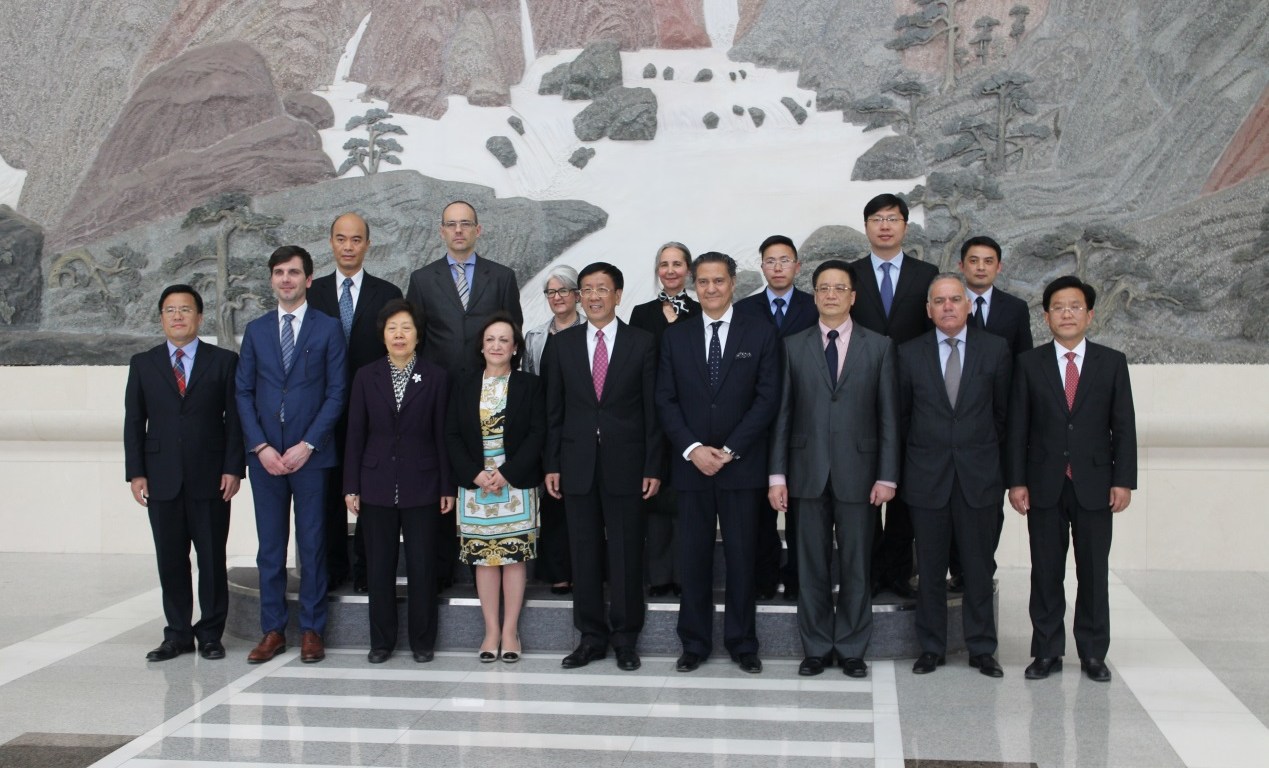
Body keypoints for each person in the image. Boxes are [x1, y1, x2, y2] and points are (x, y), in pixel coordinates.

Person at [769, 260, 899, 679]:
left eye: (839, 288)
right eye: (823, 288)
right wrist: (777, 475)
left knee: (857, 565)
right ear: (814, 295)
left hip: (860, 473)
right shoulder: (793, 346)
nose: (830, 295)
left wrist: (887, 475)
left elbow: (888, 417)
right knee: (811, 566)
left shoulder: (879, 346)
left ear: (852, 296)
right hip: (805, 472)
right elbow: (782, 415)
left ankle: (852, 648)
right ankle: (816, 647)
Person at [1007, 275, 1137, 683]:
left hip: (1096, 484)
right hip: (1043, 483)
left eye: (1075, 307)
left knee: (1093, 572)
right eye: (1058, 307)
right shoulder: (1029, 364)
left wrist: (1123, 480)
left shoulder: (1111, 362)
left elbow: (1124, 427)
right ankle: (1046, 651)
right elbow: (1017, 428)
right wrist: (1016, 481)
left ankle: (1093, 653)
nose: (1067, 314)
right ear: (1046, 316)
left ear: (1090, 315)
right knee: (1045, 571)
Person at [655, 252, 780, 673]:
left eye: (719, 281)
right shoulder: (676, 337)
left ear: (733, 284)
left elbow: (767, 398)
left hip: (740, 466)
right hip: (691, 467)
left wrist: (729, 450)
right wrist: (693, 449)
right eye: (704, 282)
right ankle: (694, 643)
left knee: (743, 558)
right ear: (695, 285)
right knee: (693, 558)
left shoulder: (760, 332)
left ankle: (743, 643)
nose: (711, 289)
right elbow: (665, 399)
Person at [543, 262, 662, 672]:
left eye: (602, 289)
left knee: (626, 551)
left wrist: (652, 465)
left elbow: (652, 411)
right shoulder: (562, 345)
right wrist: (552, 463)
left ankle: (626, 639)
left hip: (627, 464)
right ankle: (590, 637)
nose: (594, 297)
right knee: (584, 552)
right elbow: (553, 411)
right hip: (576, 463)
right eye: (587, 289)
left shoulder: (642, 343)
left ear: (618, 295)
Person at [406, 200, 524, 591]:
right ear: (441, 230)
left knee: (486, 465)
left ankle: (491, 557)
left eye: (466, 224)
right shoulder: (422, 279)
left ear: (478, 229)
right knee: (443, 469)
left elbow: (512, 331)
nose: (458, 230)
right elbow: (416, 338)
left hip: (490, 393)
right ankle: (444, 569)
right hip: (439, 391)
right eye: (451, 224)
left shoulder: (501, 276)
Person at [236, 245, 346, 664]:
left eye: (294, 272)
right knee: (270, 547)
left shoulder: (328, 328)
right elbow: (243, 392)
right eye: (279, 272)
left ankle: (313, 630)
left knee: (313, 544)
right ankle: (273, 630)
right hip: (265, 458)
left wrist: (308, 444)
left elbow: (337, 392)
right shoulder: (256, 330)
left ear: (308, 280)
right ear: (271, 279)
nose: (286, 279)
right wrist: (261, 446)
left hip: (311, 457)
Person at [898, 273, 1012, 677]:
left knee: (977, 568)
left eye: (955, 299)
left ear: (968, 306)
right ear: (929, 310)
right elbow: (902, 418)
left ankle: (981, 648)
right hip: (926, 478)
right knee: (929, 570)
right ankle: (932, 647)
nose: (947, 306)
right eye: (939, 301)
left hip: (978, 478)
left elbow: (1004, 416)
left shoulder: (995, 349)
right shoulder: (908, 353)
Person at [124, 284, 244, 662]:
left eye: (186, 310)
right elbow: (134, 422)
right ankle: (176, 634)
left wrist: (233, 468)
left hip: (211, 477)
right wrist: (136, 472)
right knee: (171, 559)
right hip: (161, 478)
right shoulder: (143, 364)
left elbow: (235, 420)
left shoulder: (223, 362)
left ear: (200, 317)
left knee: (211, 560)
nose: (178, 316)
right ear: (162, 318)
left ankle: (210, 634)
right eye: (171, 310)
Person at [343, 299, 452, 664]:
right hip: (375, 482)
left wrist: (446, 486)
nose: (399, 335)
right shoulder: (366, 376)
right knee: (379, 568)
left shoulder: (435, 376)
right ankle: (381, 642)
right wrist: (351, 485)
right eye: (392, 328)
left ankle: (422, 641)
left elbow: (442, 435)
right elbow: (355, 434)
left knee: (422, 566)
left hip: (423, 483)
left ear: (418, 334)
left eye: (406, 327)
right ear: (383, 335)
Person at [847, 193, 937, 600]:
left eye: (893, 218)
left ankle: (899, 572)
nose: (885, 226)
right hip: (860, 396)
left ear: (905, 225)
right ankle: (867, 571)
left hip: (911, 398)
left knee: (905, 491)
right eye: (877, 219)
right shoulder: (851, 274)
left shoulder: (926, 274)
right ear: (866, 226)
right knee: (864, 488)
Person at [309, 212, 403, 594]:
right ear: (331, 242)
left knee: (373, 494)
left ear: (367, 244)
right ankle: (333, 568)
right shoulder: (312, 293)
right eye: (341, 239)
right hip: (321, 412)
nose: (348, 247)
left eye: (356, 239)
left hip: (374, 411)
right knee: (327, 491)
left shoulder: (388, 294)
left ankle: (367, 570)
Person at [446, 313, 545, 663]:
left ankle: (510, 631)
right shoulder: (463, 384)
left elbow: (537, 433)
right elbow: (451, 434)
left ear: (515, 347)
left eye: (504, 340)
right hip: (476, 486)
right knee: (484, 559)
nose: (496, 345)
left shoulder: (530, 385)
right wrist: (475, 473)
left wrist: (507, 472)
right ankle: (490, 630)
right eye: (490, 339)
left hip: (515, 484)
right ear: (481, 346)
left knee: (513, 557)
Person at [734, 234, 818, 602]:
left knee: (800, 504)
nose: (778, 267)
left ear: (798, 266)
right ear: (762, 266)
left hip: (804, 417)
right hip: (757, 419)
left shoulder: (813, 306)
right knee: (759, 508)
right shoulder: (745, 309)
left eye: (785, 260)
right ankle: (763, 579)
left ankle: (798, 578)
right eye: (771, 261)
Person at [948, 235, 1033, 592]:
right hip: (951, 426)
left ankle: (981, 568)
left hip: (995, 428)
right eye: (973, 260)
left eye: (988, 261)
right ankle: (957, 569)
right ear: (961, 265)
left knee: (988, 507)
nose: (980, 267)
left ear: (999, 267)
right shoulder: (948, 304)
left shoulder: (1015, 309)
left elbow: (1024, 365)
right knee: (950, 506)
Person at [628, 241, 700, 599]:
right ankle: (658, 576)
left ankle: (685, 574)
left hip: (692, 417)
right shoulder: (642, 313)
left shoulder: (700, 311)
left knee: (687, 498)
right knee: (655, 496)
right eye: (664, 264)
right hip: (652, 416)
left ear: (688, 269)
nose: (670, 270)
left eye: (677, 264)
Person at [522, 265, 585, 596]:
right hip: (547, 428)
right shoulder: (535, 337)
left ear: (577, 295)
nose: (557, 297)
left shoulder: (591, 331)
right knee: (554, 501)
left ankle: (585, 571)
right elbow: (529, 384)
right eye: (551, 292)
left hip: (582, 427)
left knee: (582, 503)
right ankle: (559, 572)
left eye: (563, 290)